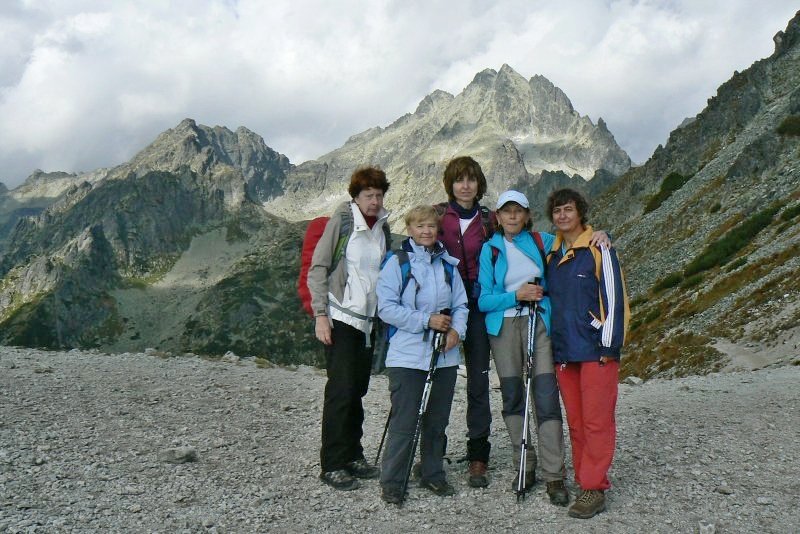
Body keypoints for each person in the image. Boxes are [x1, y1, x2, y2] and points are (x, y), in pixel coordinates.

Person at [477, 189, 570, 506]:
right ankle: (524, 464)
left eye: (518, 211)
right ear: (498, 217)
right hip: (503, 328)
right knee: (514, 395)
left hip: (538, 324)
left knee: (545, 395)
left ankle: (554, 473)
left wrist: (602, 234)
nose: (512, 216)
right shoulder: (490, 250)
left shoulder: (543, 241)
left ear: (527, 215)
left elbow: (578, 241)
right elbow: (484, 300)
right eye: (506, 211)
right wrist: (517, 295)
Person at [544, 188, 629, 519]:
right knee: (577, 422)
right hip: (565, 353)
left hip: (596, 351)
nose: (563, 215)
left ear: (580, 212)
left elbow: (614, 297)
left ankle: (594, 487)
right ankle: (585, 480)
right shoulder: (552, 256)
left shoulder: (599, 248)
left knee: (596, 421)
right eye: (557, 211)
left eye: (569, 209)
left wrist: (609, 345)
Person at [376, 205, 469, 504]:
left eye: (431, 226)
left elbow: (461, 306)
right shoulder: (397, 263)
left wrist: (457, 332)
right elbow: (386, 308)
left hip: (444, 356)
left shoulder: (447, 265)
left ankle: (432, 473)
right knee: (405, 421)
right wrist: (425, 320)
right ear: (410, 229)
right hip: (406, 356)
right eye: (420, 226)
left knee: (437, 421)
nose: (426, 231)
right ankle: (392, 480)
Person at [307, 166, 391, 491]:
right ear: (355, 197)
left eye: (378, 194)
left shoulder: (383, 228)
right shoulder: (342, 222)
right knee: (341, 391)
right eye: (368, 195)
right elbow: (319, 267)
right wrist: (320, 315)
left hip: (368, 324)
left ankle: (354, 454)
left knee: (357, 390)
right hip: (340, 319)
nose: (374, 200)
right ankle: (332, 463)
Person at [435, 156, 496, 487]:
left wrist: (593, 231)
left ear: (478, 184)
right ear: (451, 184)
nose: (465, 185)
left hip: (479, 310)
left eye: (471, 179)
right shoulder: (437, 216)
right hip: (445, 309)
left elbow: (525, 237)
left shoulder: (490, 220)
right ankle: (433, 452)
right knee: (440, 383)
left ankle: (478, 457)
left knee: (478, 384)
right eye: (459, 179)